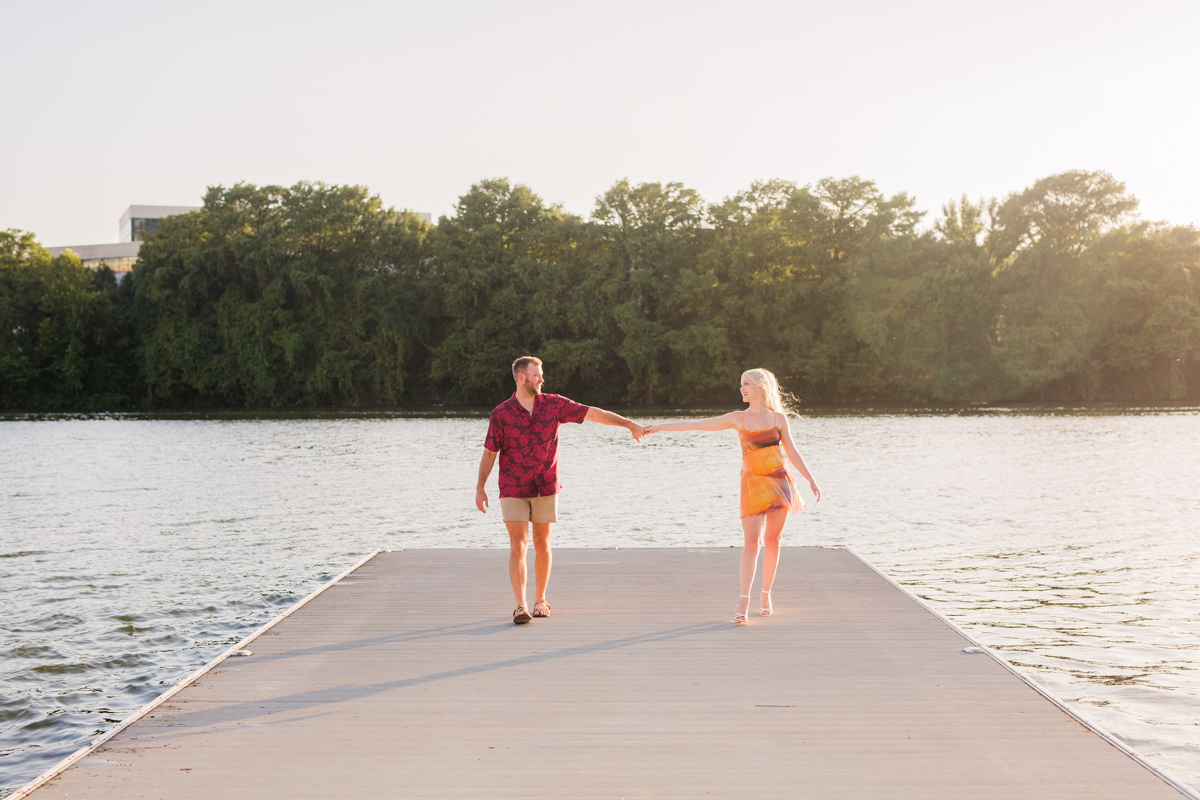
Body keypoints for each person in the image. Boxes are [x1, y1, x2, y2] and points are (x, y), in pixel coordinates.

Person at [476, 356, 645, 624]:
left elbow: (594, 413)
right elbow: (489, 453)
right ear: (521, 377)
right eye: (536, 375)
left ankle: (540, 600)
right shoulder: (501, 414)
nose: (541, 379)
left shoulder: (554, 405)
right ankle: (520, 605)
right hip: (513, 487)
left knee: (542, 544)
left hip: (546, 486)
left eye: (541, 374)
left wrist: (629, 424)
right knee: (518, 544)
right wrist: (480, 488)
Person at [644, 368, 820, 623]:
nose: (741, 389)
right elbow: (697, 425)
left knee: (773, 540)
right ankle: (743, 599)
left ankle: (766, 594)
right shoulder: (737, 418)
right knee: (751, 543)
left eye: (746, 384)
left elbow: (792, 453)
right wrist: (660, 427)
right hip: (752, 485)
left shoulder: (779, 419)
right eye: (740, 384)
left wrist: (811, 479)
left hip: (779, 482)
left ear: (760, 387)